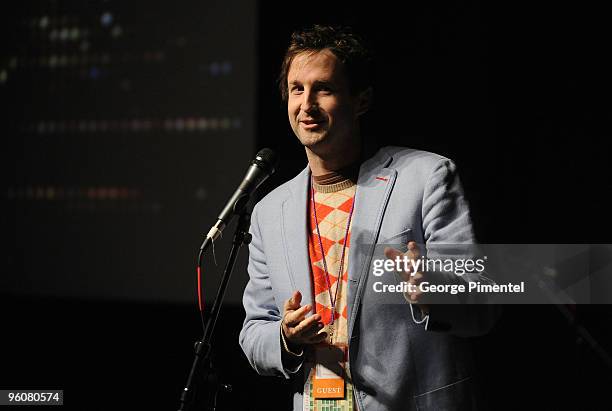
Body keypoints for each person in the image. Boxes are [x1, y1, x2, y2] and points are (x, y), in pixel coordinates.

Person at [239, 25, 498, 411]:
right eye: (296, 89)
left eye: (323, 88)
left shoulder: (426, 177)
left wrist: (432, 287)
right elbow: (255, 330)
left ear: (361, 100)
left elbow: (482, 306)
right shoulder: (269, 211)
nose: (306, 104)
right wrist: (286, 337)